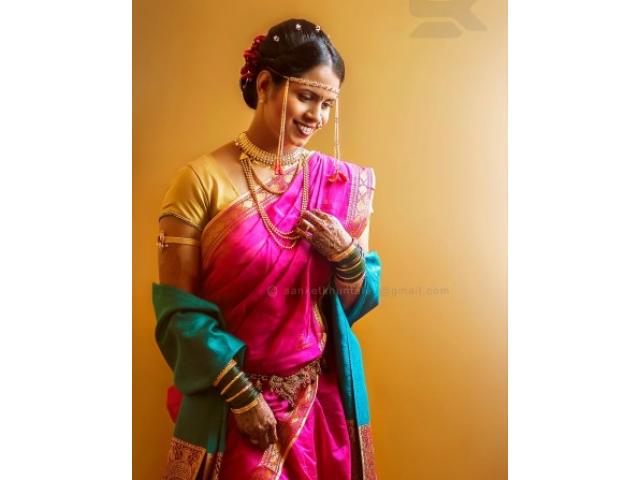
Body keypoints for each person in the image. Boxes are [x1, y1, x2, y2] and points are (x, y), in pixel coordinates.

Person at [152, 18, 381, 480]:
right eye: (306, 96)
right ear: (264, 85)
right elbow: (179, 315)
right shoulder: (200, 181)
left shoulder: (341, 184)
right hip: (231, 406)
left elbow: (353, 306)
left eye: (327, 104)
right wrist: (241, 398)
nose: (316, 116)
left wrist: (346, 256)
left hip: (318, 409)